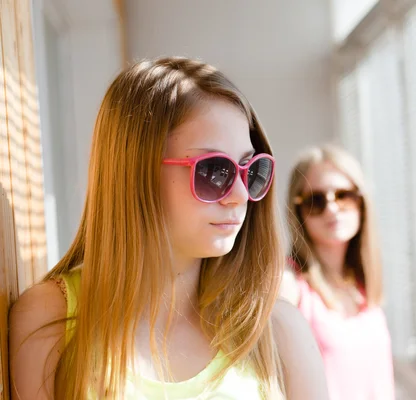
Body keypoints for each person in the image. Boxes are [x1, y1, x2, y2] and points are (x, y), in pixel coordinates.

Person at [9, 57, 328, 400]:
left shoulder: (277, 332)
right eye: (214, 171)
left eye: (252, 170)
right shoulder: (50, 320)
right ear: (134, 173)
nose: (240, 196)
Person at [280, 145, 395, 400]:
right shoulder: (289, 287)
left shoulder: (362, 285)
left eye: (344, 196)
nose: (332, 209)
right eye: (315, 200)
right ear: (297, 211)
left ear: (362, 203)